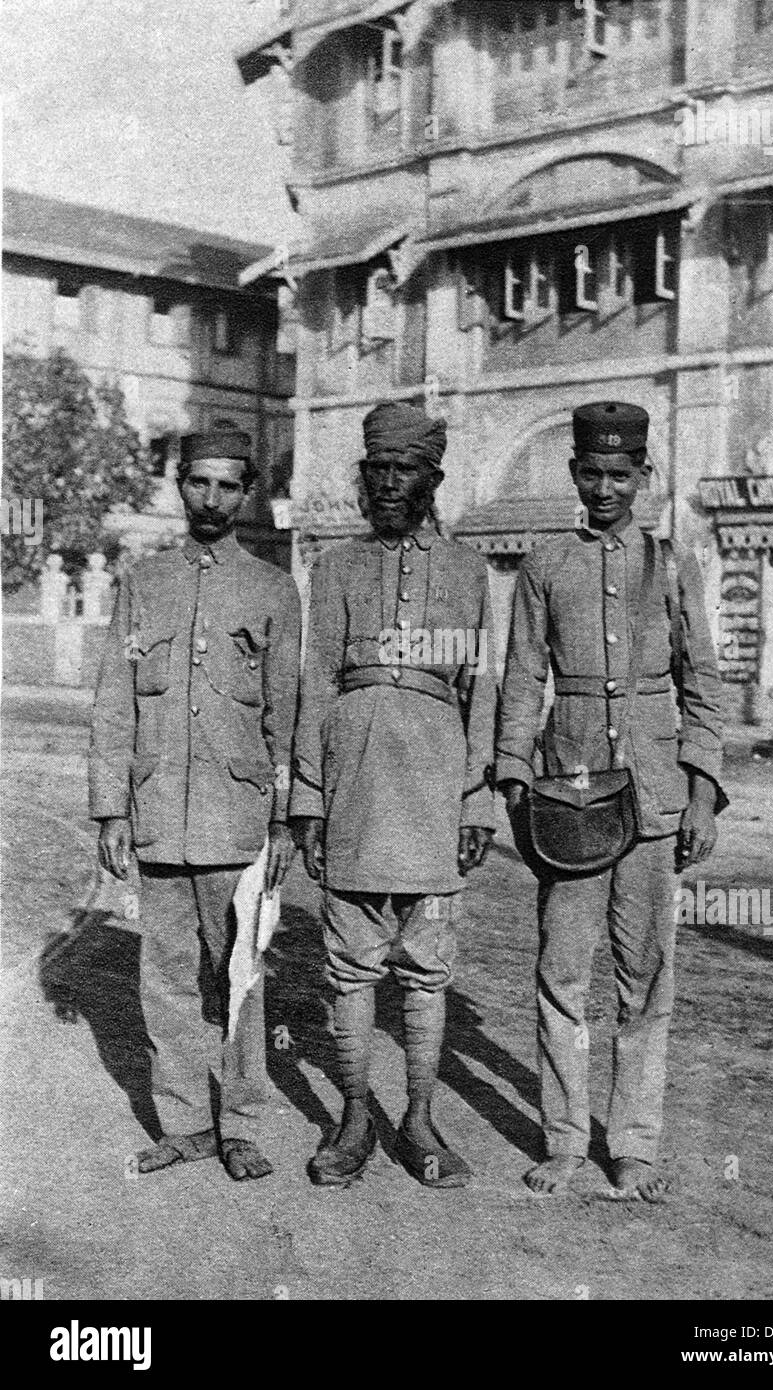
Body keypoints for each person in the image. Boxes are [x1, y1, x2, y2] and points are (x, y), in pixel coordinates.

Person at [497, 401, 727, 1201]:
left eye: (620, 475)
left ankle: (633, 1145)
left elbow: (703, 683)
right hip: (570, 796)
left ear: (643, 478)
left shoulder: (670, 564)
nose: (605, 488)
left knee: (648, 978)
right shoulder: (545, 564)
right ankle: (562, 1140)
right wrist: (513, 775)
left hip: (657, 802)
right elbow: (524, 676)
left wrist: (703, 793)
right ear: (573, 474)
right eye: (591, 473)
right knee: (562, 974)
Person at [290, 401, 496, 1189]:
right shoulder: (337, 567)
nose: (384, 484)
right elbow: (313, 684)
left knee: (427, 965)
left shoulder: (469, 572)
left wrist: (476, 801)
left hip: (436, 785)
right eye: (374, 469)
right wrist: (307, 797)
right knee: (348, 966)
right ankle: (351, 1118)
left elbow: (483, 689)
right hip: (352, 783)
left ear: (433, 479)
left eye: (401, 469)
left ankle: (417, 1118)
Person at [89, 429, 301, 1180]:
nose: (211, 499)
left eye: (227, 486)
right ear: (180, 486)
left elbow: (286, 711)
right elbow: (117, 700)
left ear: (246, 495)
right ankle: (184, 1123)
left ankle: (241, 1122)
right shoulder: (144, 582)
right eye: (198, 483)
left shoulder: (273, 588)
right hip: (157, 813)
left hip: (237, 817)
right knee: (167, 975)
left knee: (241, 973)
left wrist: (282, 818)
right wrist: (111, 808)